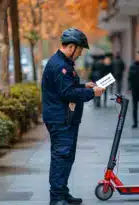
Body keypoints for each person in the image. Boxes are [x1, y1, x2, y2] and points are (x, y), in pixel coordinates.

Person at [41, 28, 105, 205]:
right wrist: (92, 93)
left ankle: (62, 192)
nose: (80, 54)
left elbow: (69, 86)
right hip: (60, 119)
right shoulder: (60, 66)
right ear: (71, 47)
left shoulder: (63, 63)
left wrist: (85, 87)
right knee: (61, 157)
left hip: (65, 118)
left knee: (66, 156)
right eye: (80, 50)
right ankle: (56, 198)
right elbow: (67, 93)